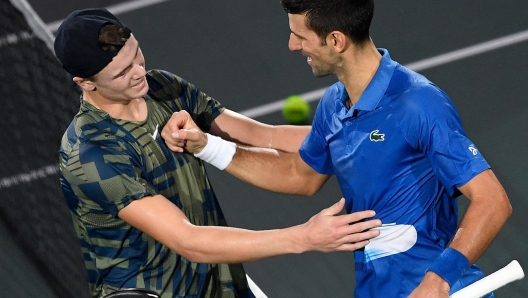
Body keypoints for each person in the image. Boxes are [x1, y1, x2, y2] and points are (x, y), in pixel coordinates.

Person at [165, 0, 513, 297]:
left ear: (335, 40)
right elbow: (298, 174)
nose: (292, 45)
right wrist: (207, 146)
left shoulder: (418, 104)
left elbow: (492, 200)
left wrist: (438, 280)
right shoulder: (334, 103)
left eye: (300, 36)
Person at [54, 7, 383, 298]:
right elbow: (187, 239)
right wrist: (303, 237)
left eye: (136, 55)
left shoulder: (163, 87)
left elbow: (262, 135)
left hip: (216, 279)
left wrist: (362, 134)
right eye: (122, 73)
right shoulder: (91, 152)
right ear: (86, 83)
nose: (140, 72)